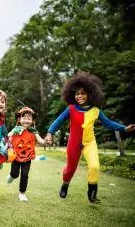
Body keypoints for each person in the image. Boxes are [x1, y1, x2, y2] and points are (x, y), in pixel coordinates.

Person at [44, 72, 135, 204]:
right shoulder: (70, 109)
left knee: (95, 166)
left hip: (89, 143)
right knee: (70, 169)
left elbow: (108, 123)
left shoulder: (96, 110)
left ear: (90, 94)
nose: (79, 96)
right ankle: (65, 184)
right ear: (73, 95)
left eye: (82, 93)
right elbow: (58, 121)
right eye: (77, 94)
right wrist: (50, 133)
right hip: (73, 143)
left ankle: (92, 193)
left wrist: (124, 128)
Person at [6, 107, 45, 202]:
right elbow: (8, 137)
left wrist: (46, 141)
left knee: (25, 175)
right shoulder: (16, 129)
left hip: (27, 157)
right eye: (24, 118)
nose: (26, 120)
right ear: (19, 119)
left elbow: (40, 140)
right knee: (15, 174)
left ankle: (22, 193)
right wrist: (12, 133)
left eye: (29, 118)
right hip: (16, 156)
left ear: (32, 120)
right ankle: (11, 176)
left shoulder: (33, 131)